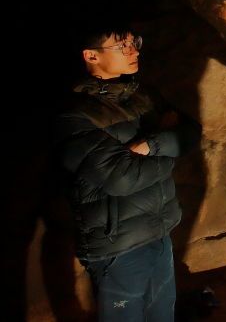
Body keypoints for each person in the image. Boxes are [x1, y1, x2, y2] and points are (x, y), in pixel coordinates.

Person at [53, 21, 200, 321]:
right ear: (91, 56)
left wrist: (149, 145)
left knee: (162, 316)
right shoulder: (74, 114)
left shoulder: (143, 95)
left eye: (135, 42)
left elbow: (191, 133)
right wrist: (168, 146)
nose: (134, 51)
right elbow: (122, 178)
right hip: (117, 246)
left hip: (158, 232)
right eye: (122, 46)